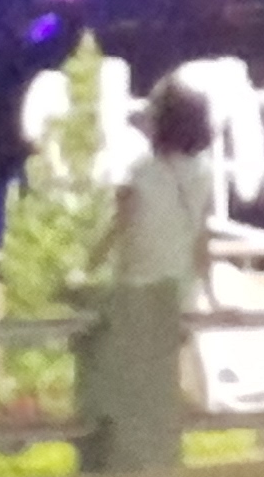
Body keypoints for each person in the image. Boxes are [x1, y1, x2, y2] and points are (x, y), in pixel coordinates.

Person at [95, 78, 227, 308]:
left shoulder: (139, 172)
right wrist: (212, 297)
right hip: (180, 293)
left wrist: (86, 269)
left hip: (137, 289)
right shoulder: (204, 174)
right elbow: (201, 243)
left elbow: (116, 228)